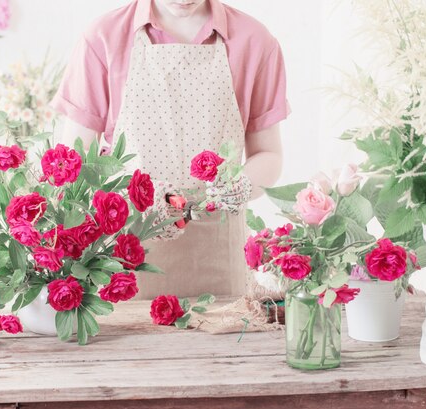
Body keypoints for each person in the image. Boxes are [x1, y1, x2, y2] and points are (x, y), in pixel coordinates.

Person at [51, 0, 288, 301]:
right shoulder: (103, 38)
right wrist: (128, 195)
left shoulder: (254, 41)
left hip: (218, 254)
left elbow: (269, 155)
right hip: (125, 255)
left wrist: (240, 183)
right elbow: (75, 165)